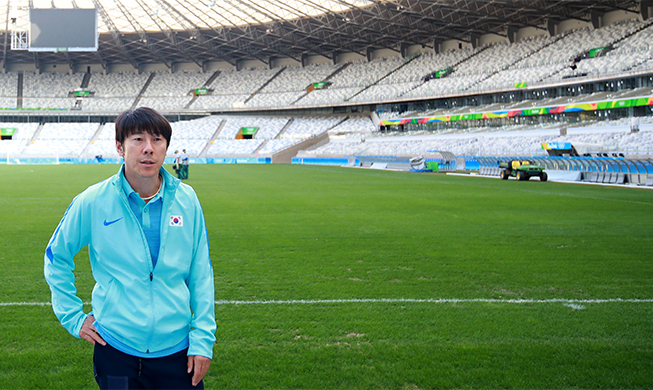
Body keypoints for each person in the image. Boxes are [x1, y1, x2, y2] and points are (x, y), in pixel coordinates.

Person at [44, 107, 215, 389]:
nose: (149, 148)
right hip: (115, 347)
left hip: (178, 348)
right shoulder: (93, 200)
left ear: (166, 148)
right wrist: (73, 317)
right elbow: (56, 256)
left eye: (157, 140)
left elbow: (201, 272)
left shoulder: (187, 199)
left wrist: (204, 339)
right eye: (138, 139)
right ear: (120, 147)